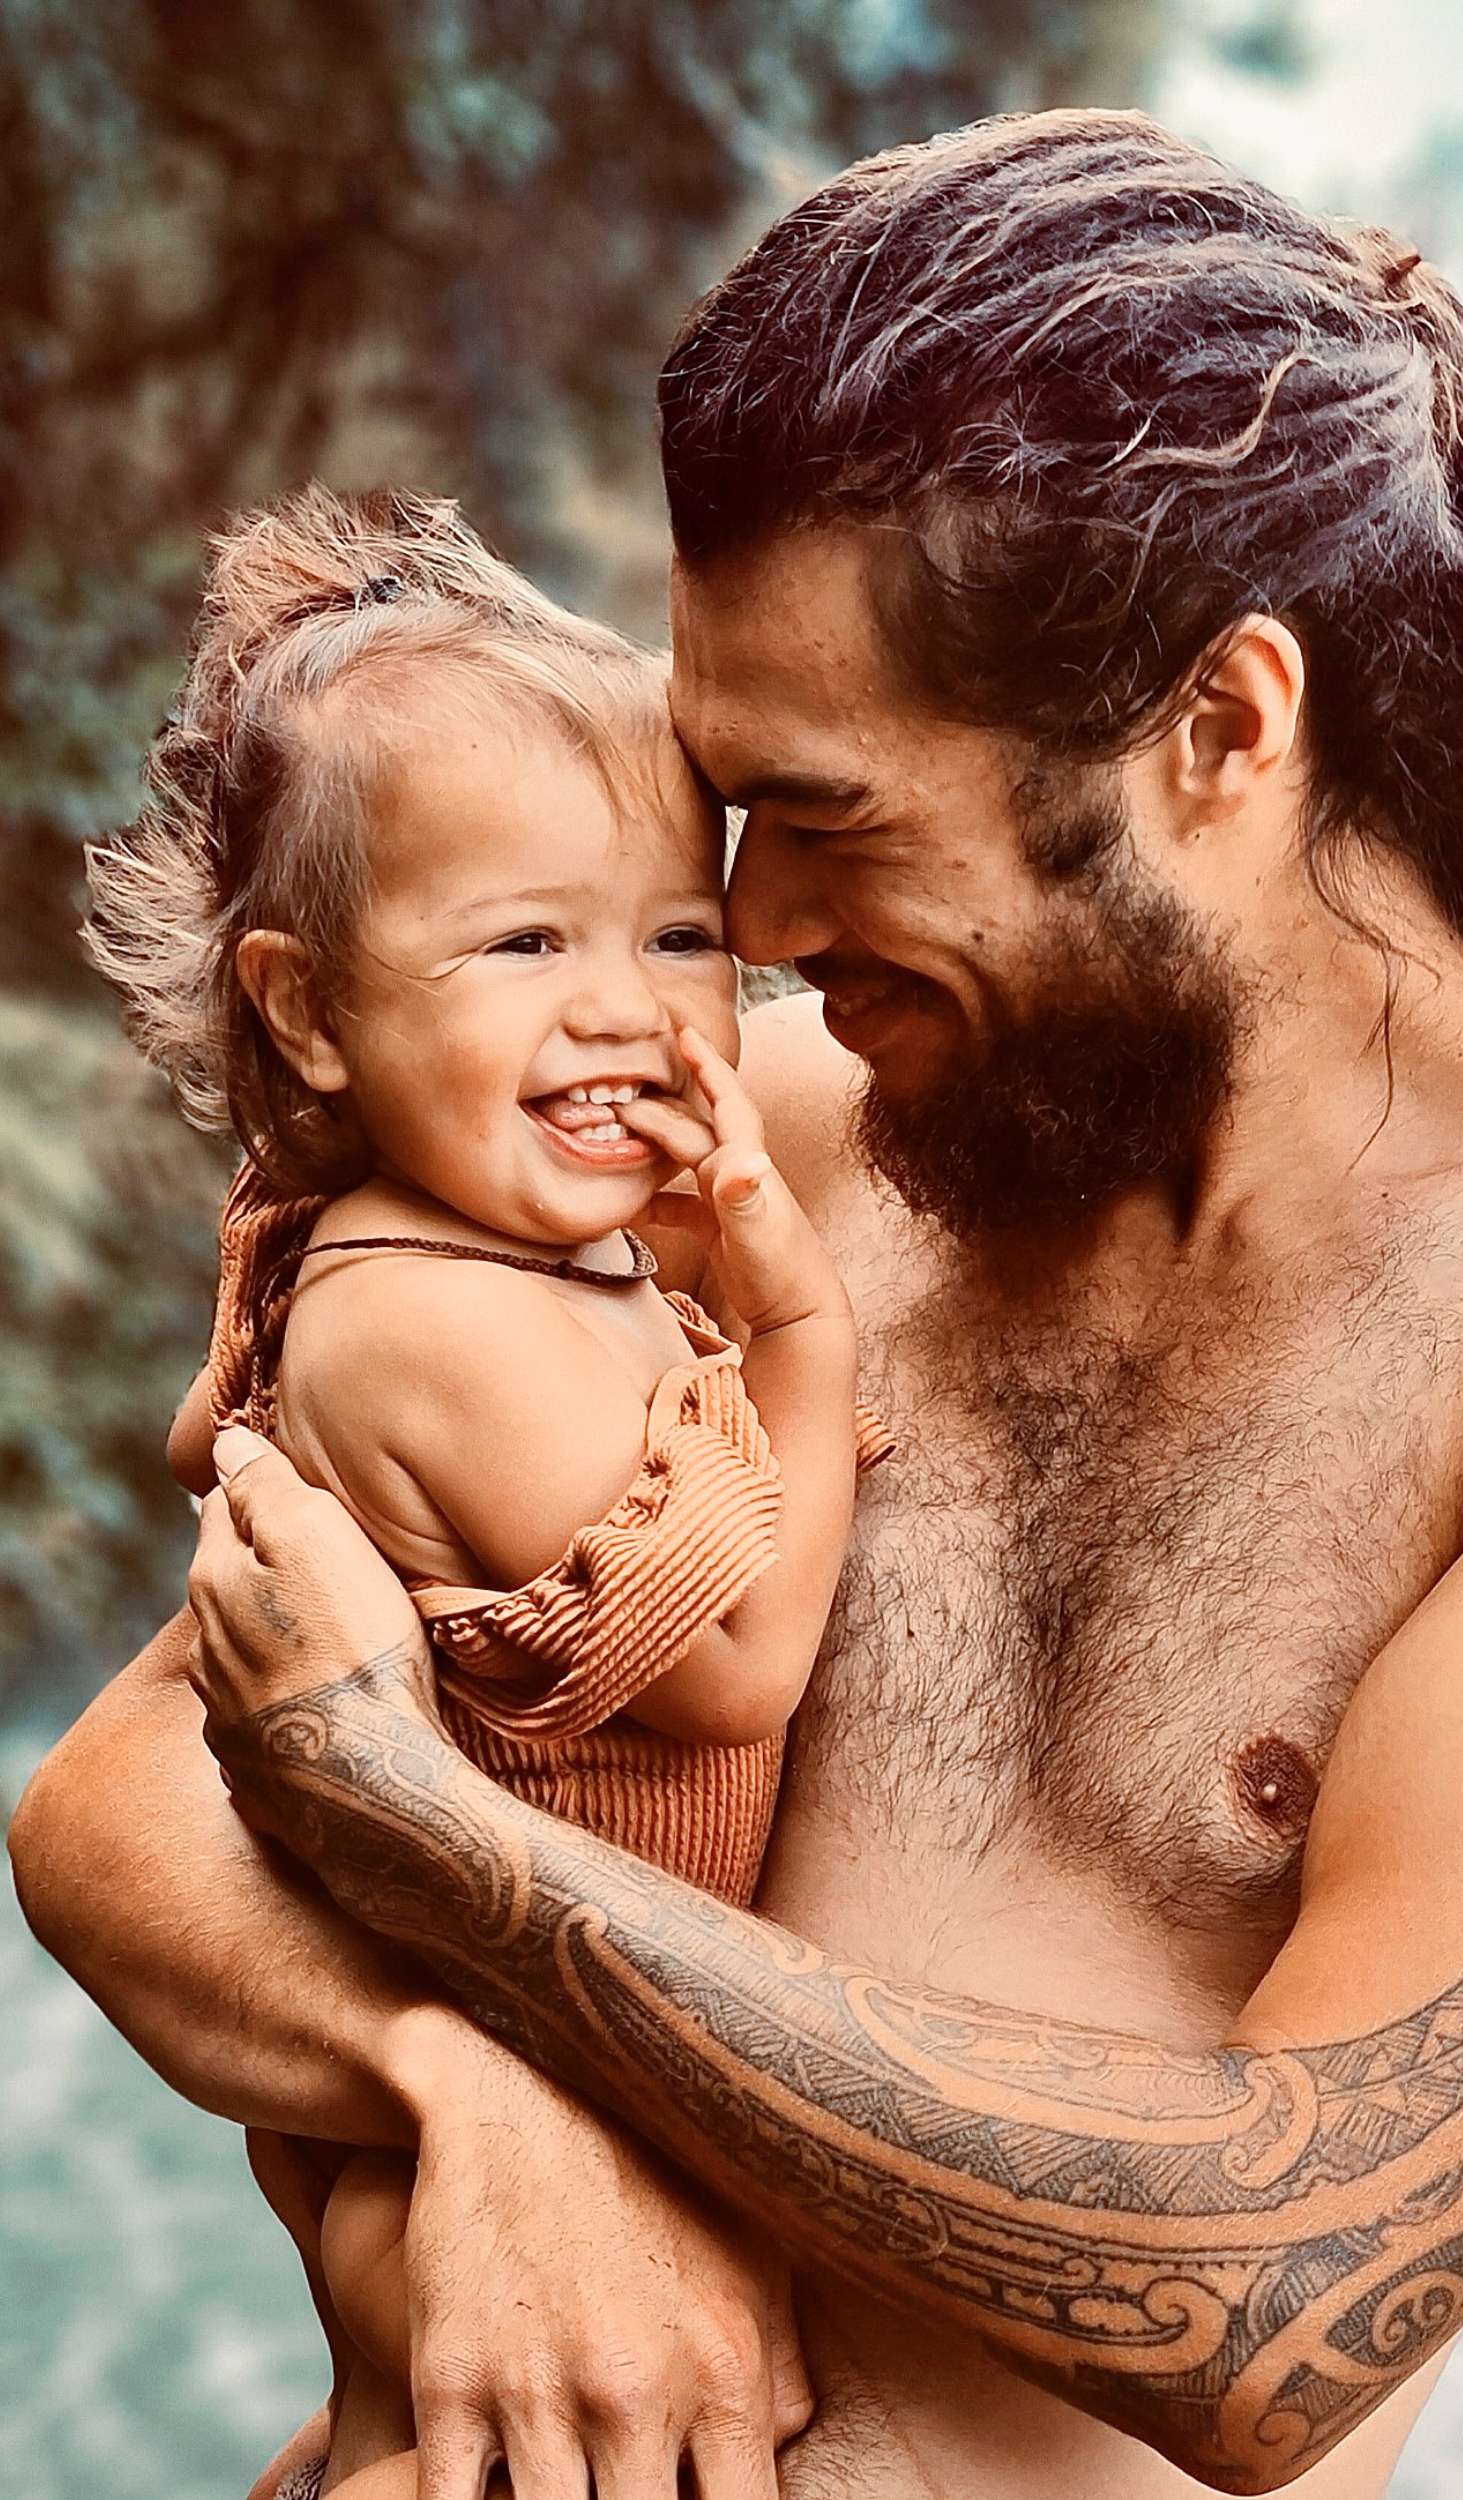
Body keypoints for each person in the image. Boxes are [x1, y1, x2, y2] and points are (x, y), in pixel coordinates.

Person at [14, 109, 1463, 2500]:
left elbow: (1275, 2292)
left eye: (828, 811)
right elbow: (132, 1795)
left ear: (1223, 728)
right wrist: (468, 2080)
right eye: (730, 818)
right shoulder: (772, 1160)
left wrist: (467, 1877)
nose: (764, 932)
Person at [81, 486, 885, 2492]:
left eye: (677, 933)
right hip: (497, 2046)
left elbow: (220, 1439)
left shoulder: (414, 1246)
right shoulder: (444, 1322)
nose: (624, 1006)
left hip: (526, 2027)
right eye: (523, 940)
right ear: (305, 1008)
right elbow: (730, 1661)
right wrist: (800, 1325)